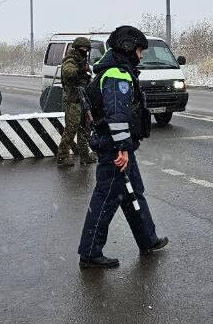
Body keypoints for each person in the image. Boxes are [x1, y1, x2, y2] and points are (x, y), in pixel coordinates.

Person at [76, 26, 169, 269]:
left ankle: (147, 239)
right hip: (114, 147)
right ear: (128, 48)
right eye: (139, 50)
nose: (140, 56)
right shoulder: (117, 74)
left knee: (133, 192)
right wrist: (122, 150)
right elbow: (116, 116)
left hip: (118, 145)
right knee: (106, 197)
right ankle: (90, 253)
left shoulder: (117, 71)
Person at [56, 36, 97, 167]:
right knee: (71, 129)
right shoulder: (71, 59)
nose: (85, 51)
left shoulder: (82, 60)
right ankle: (62, 157)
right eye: (83, 49)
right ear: (77, 48)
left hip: (83, 99)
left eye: (86, 49)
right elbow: (68, 72)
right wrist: (80, 71)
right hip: (73, 100)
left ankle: (84, 156)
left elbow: (88, 75)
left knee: (84, 129)